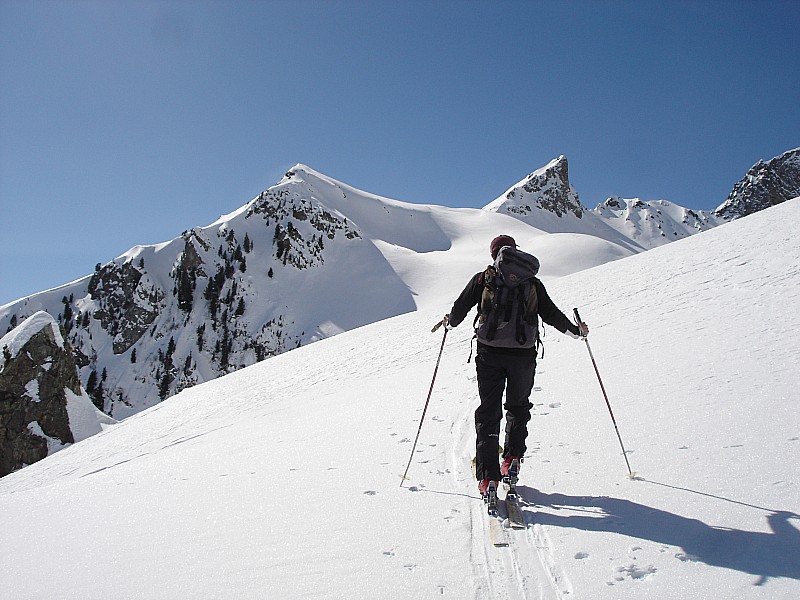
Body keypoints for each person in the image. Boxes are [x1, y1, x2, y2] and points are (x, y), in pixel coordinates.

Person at [443, 234, 588, 503]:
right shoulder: (531, 282)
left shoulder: (483, 278)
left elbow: (461, 308)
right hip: (523, 355)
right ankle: (511, 459)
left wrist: (449, 323)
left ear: (494, 254)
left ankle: (488, 477)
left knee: (488, 411)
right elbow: (552, 314)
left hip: (489, 353)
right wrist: (576, 332)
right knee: (518, 407)